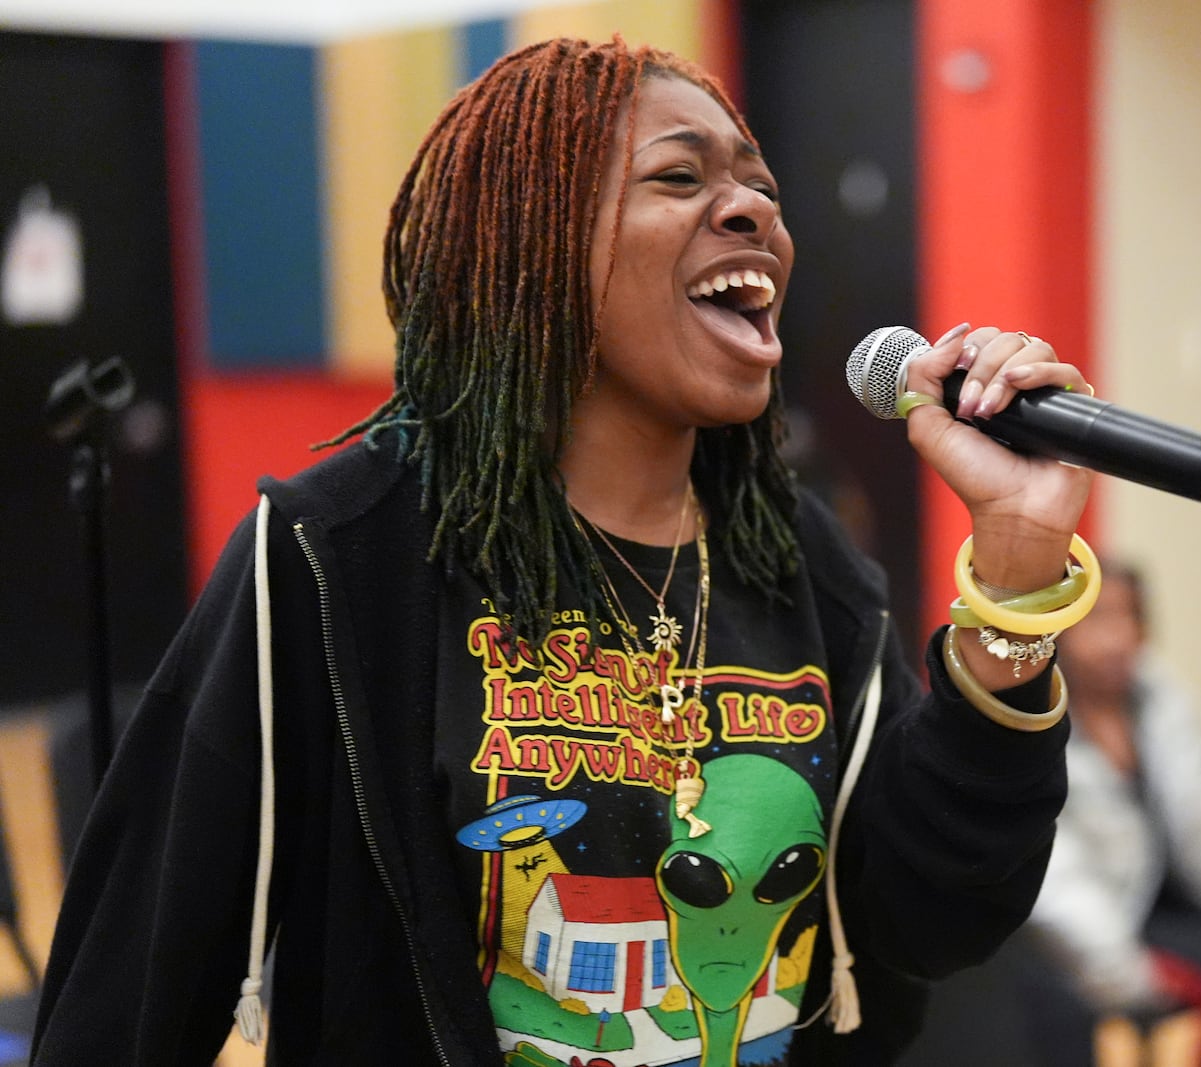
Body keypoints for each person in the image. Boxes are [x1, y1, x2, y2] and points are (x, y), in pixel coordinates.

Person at [32, 37, 1098, 1066]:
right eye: (678, 176)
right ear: (525, 235)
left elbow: (931, 919)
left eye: (762, 189)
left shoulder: (803, 564)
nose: (754, 211)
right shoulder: (340, 557)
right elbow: (133, 987)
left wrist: (1012, 571)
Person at [1024, 563, 1201, 1067]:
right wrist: (1124, 970)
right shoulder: (1032, 720)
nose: (1117, 638)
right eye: (1097, 620)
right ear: (1059, 629)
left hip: (1182, 900)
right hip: (1107, 925)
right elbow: (1054, 878)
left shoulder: (1163, 702)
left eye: (1129, 618)